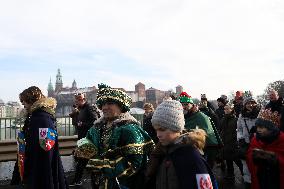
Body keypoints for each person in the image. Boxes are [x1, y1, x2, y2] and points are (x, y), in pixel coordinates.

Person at [74, 84, 155, 189]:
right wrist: (81, 153)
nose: (105, 107)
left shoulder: (130, 129)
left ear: (121, 106)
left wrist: (99, 165)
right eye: (103, 104)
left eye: (110, 103)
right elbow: (87, 145)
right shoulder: (96, 128)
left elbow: (134, 163)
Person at [145, 100, 218, 189]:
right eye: (156, 130)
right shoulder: (161, 153)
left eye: (162, 129)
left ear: (176, 128)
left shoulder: (192, 157)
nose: (158, 135)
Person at [12, 86, 67, 189]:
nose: (23, 105)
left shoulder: (42, 118)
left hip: (40, 164)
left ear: (31, 100)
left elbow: (46, 148)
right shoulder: (36, 116)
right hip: (36, 161)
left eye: (24, 102)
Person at [179, 92, 220, 169]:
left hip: (206, 149)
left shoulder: (201, 116)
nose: (184, 107)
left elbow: (206, 133)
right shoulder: (182, 117)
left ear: (192, 104)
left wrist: (187, 132)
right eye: (182, 104)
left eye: (186, 104)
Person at [247, 109, 284, 189]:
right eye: (257, 127)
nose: (258, 130)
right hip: (261, 178)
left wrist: (275, 159)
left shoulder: (282, 139)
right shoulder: (255, 139)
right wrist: (253, 157)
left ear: (272, 128)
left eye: (262, 127)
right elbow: (249, 154)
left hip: (276, 180)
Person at [70, 93, 99, 186]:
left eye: (79, 100)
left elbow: (95, 121)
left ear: (83, 99)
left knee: (82, 160)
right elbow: (76, 123)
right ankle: (94, 180)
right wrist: (75, 115)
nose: (77, 102)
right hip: (82, 138)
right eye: (76, 100)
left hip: (88, 138)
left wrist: (83, 124)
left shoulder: (89, 107)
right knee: (82, 160)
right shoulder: (80, 109)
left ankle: (77, 180)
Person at [237, 96, 261, 187]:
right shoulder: (241, 116)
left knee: (258, 165)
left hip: (259, 144)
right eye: (248, 103)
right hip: (246, 144)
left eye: (252, 103)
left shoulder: (261, 114)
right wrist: (241, 138)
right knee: (246, 165)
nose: (251, 105)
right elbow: (239, 129)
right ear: (245, 105)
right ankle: (248, 182)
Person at [220, 104, 243, 180]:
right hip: (225, 142)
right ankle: (230, 174)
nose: (225, 110)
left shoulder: (236, 119)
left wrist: (236, 141)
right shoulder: (223, 119)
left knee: (237, 160)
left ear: (232, 109)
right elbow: (222, 130)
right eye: (225, 109)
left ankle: (244, 174)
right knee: (228, 159)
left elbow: (238, 131)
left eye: (227, 109)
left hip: (233, 143)